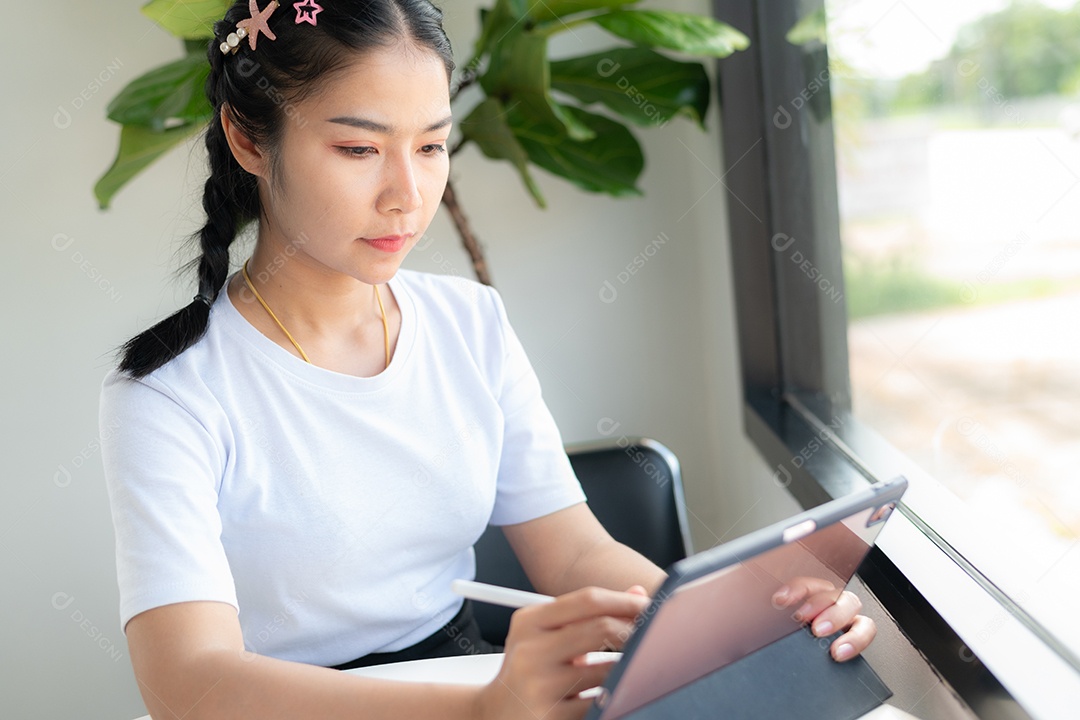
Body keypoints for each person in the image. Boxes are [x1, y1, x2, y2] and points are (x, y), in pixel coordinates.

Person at [98, 1, 877, 718]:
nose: (408, 193)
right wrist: (476, 711)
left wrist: (747, 621)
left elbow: (573, 551)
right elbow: (189, 683)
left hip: (467, 677)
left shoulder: (468, 322)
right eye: (360, 147)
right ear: (247, 138)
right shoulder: (169, 392)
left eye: (432, 145)